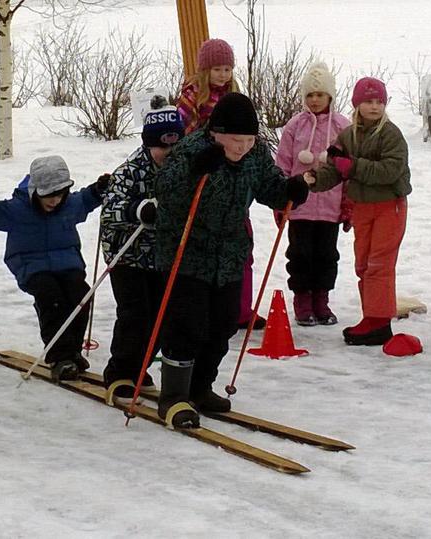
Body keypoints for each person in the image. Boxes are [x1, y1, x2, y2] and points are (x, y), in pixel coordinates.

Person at [153, 93, 310, 428]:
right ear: (216, 133)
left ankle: (200, 386)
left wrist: (289, 192)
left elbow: (270, 186)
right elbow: (166, 191)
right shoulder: (193, 149)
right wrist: (196, 172)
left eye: (249, 140)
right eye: (236, 140)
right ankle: (174, 398)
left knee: (223, 322)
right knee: (188, 325)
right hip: (187, 253)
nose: (243, 147)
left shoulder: (255, 155)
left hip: (229, 254)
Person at [0, 156, 107, 381]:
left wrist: (98, 189)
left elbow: (85, 200)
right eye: (48, 196)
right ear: (34, 190)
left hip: (67, 262)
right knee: (51, 297)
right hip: (31, 264)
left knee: (81, 297)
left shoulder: (68, 204)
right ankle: (59, 356)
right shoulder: (18, 209)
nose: (55, 201)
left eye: (59, 194)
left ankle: (72, 350)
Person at [309, 77, 412, 346]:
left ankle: (379, 321)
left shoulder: (391, 134)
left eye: (379, 101)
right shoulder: (348, 135)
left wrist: (353, 167)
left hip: (390, 205)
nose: (374, 106)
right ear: (357, 104)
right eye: (368, 101)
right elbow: (335, 166)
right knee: (363, 262)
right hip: (363, 206)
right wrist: (314, 180)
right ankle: (371, 316)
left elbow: (391, 170)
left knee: (380, 263)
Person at [98, 105, 184, 402]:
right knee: (136, 313)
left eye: (175, 146)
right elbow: (110, 210)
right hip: (127, 253)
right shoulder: (132, 170)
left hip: (162, 255)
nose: (168, 153)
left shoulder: (183, 168)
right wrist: (138, 209)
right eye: (162, 146)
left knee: (162, 314)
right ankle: (120, 371)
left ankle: (139, 366)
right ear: (149, 144)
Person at [176, 38, 263, 331]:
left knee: (241, 244)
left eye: (228, 68)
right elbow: (182, 137)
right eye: (217, 69)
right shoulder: (192, 97)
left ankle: (241, 308)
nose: (224, 75)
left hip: (235, 174)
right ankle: (211, 306)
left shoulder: (235, 97)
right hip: (205, 173)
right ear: (204, 69)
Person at [274, 62, 351, 325]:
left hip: (330, 206)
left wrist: (348, 203)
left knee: (327, 255)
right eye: (310, 95)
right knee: (300, 254)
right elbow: (283, 163)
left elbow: (349, 167)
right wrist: (281, 199)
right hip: (300, 207)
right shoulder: (296, 126)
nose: (315, 100)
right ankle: (303, 301)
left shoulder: (342, 126)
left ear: (330, 95)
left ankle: (322, 300)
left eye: (320, 94)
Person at [176, 38, 239, 134]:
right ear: (205, 71)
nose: (223, 75)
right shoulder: (194, 92)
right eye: (217, 69)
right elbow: (182, 125)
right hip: (199, 144)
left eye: (227, 70)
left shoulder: (232, 91)